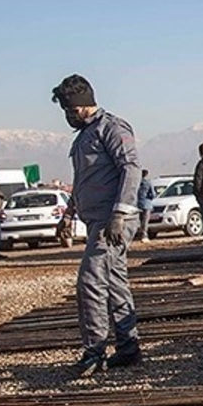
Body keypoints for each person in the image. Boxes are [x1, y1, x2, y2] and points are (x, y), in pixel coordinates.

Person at [52, 73, 143, 377]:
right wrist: (68, 214)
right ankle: (128, 348)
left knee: (90, 281)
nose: (69, 117)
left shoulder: (112, 128)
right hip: (97, 221)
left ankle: (94, 351)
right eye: (65, 112)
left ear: (86, 105)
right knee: (114, 281)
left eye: (72, 111)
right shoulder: (84, 137)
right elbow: (84, 181)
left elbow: (131, 169)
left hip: (112, 222)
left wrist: (119, 213)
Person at [135, 169, 155, 242]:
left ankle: (141, 234)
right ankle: (144, 235)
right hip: (147, 204)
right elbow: (153, 194)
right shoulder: (148, 183)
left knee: (141, 221)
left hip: (138, 204)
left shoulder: (137, 183)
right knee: (145, 221)